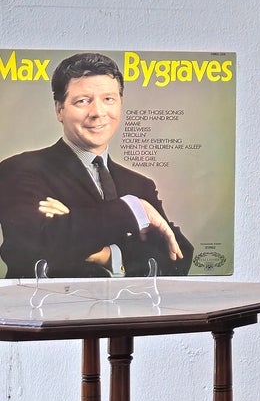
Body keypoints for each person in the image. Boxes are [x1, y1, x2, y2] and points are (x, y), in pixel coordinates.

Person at [0, 52, 192, 279]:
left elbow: (179, 256)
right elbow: (30, 248)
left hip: (131, 313)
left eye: (109, 99)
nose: (98, 113)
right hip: (54, 310)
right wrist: (134, 209)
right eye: (83, 101)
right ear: (59, 110)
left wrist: (106, 255)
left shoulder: (140, 184)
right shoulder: (19, 170)